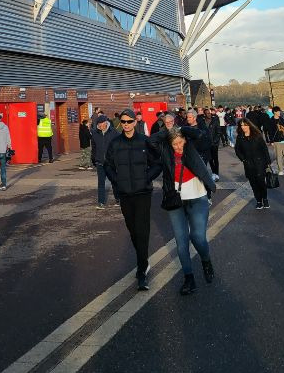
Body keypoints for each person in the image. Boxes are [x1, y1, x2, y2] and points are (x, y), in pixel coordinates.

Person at [150, 126, 216, 296]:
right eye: (175, 144)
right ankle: (189, 278)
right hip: (175, 199)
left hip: (198, 196)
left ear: (185, 140)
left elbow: (200, 134)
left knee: (198, 237)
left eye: (180, 142)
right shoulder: (165, 151)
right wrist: (168, 131)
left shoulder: (192, 147)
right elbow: (150, 141)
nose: (178, 147)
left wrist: (182, 129)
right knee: (181, 242)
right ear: (169, 144)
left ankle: (206, 260)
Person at [104, 108, 161, 291]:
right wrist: (117, 181)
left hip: (143, 193)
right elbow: (108, 166)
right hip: (125, 194)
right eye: (124, 122)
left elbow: (157, 163)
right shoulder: (115, 143)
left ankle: (142, 270)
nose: (127, 125)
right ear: (121, 123)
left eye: (130, 121)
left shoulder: (144, 141)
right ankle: (143, 260)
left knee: (142, 230)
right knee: (133, 230)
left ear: (135, 122)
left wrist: (147, 177)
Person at [235, 118, 272, 209]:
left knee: (261, 182)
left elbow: (264, 149)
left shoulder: (257, 135)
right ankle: (258, 201)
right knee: (253, 183)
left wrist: (268, 161)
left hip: (260, 162)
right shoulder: (240, 137)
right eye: (241, 125)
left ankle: (265, 199)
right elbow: (237, 150)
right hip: (248, 163)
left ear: (249, 125)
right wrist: (243, 159)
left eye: (245, 125)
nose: (243, 127)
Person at [91, 114, 119, 209]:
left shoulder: (114, 132)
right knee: (101, 183)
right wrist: (94, 159)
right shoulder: (95, 134)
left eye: (100, 124)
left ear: (105, 123)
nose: (99, 126)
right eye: (98, 125)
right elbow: (94, 148)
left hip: (111, 163)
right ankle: (101, 202)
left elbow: (118, 146)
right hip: (100, 162)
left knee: (114, 181)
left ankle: (118, 199)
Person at [267, 106, 284, 175]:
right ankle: (281, 170)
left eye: (280, 111)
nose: (280, 112)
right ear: (275, 112)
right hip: (276, 140)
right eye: (278, 111)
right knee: (278, 156)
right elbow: (270, 131)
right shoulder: (271, 121)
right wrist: (271, 141)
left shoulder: (281, 119)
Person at [203, 107, 221, 181]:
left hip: (214, 144)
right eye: (207, 113)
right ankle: (213, 173)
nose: (209, 115)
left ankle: (216, 174)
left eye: (209, 113)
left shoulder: (215, 121)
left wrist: (215, 141)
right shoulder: (203, 122)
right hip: (206, 144)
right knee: (210, 159)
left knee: (215, 159)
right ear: (204, 114)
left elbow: (218, 132)